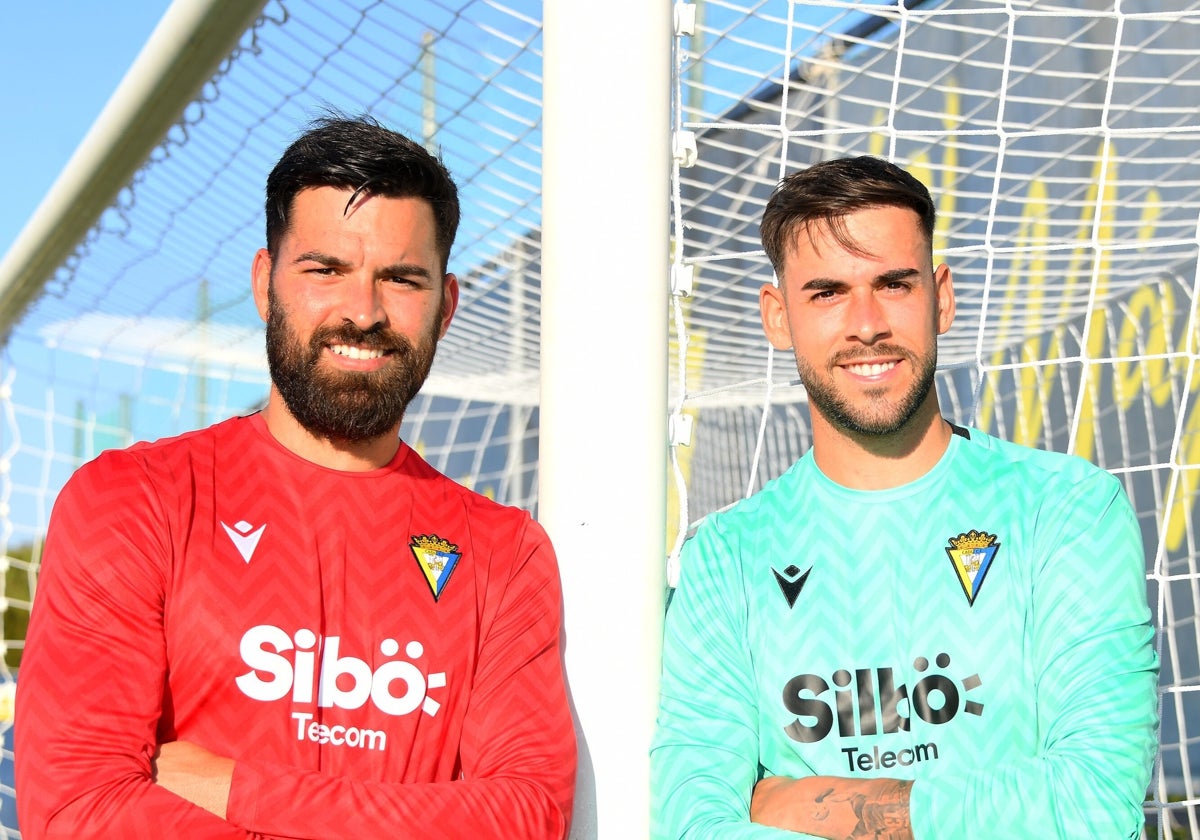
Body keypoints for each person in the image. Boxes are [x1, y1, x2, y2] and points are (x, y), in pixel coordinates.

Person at [15, 115, 576, 839]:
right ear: (265, 284)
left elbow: (524, 817)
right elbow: (78, 813)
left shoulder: (505, 554)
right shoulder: (133, 501)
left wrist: (235, 786)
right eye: (325, 270)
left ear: (446, 308)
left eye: (401, 279)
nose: (362, 311)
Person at [650, 155, 1158, 839]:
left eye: (893, 283)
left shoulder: (1064, 510)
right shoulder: (725, 560)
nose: (866, 324)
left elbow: (1091, 806)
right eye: (827, 292)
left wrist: (808, 806)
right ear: (777, 317)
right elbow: (693, 826)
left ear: (941, 297)